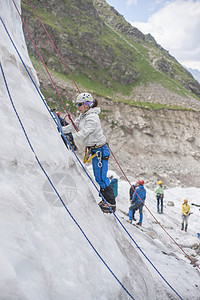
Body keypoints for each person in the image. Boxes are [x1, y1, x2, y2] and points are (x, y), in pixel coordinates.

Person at [62, 92, 116, 213]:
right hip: (96, 150)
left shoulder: (92, 117)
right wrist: (62, 130)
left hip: (100, 150)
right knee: (99, 177)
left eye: (80, 104)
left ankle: (111, 203)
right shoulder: (83, 116)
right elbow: (73, 125)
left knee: (101, 177)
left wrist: (71, 137)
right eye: (77, 105)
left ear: (87, 104)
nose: (78, 107)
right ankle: (104, 200)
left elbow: (85, 132)